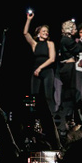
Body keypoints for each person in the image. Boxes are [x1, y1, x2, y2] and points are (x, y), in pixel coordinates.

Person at [24, 11, 59, 144]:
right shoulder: (35, 44)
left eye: (47, 31)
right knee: (34, 96)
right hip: (36, 72)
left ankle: (50, 121)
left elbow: (52, 59)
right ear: (38, 33)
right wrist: (29, 20)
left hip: (46, 71)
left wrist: (40, 68)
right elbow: (25, 33)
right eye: (43, 31)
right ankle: (34, 122)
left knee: (48, 96)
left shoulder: (50, 44)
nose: (46, 33)